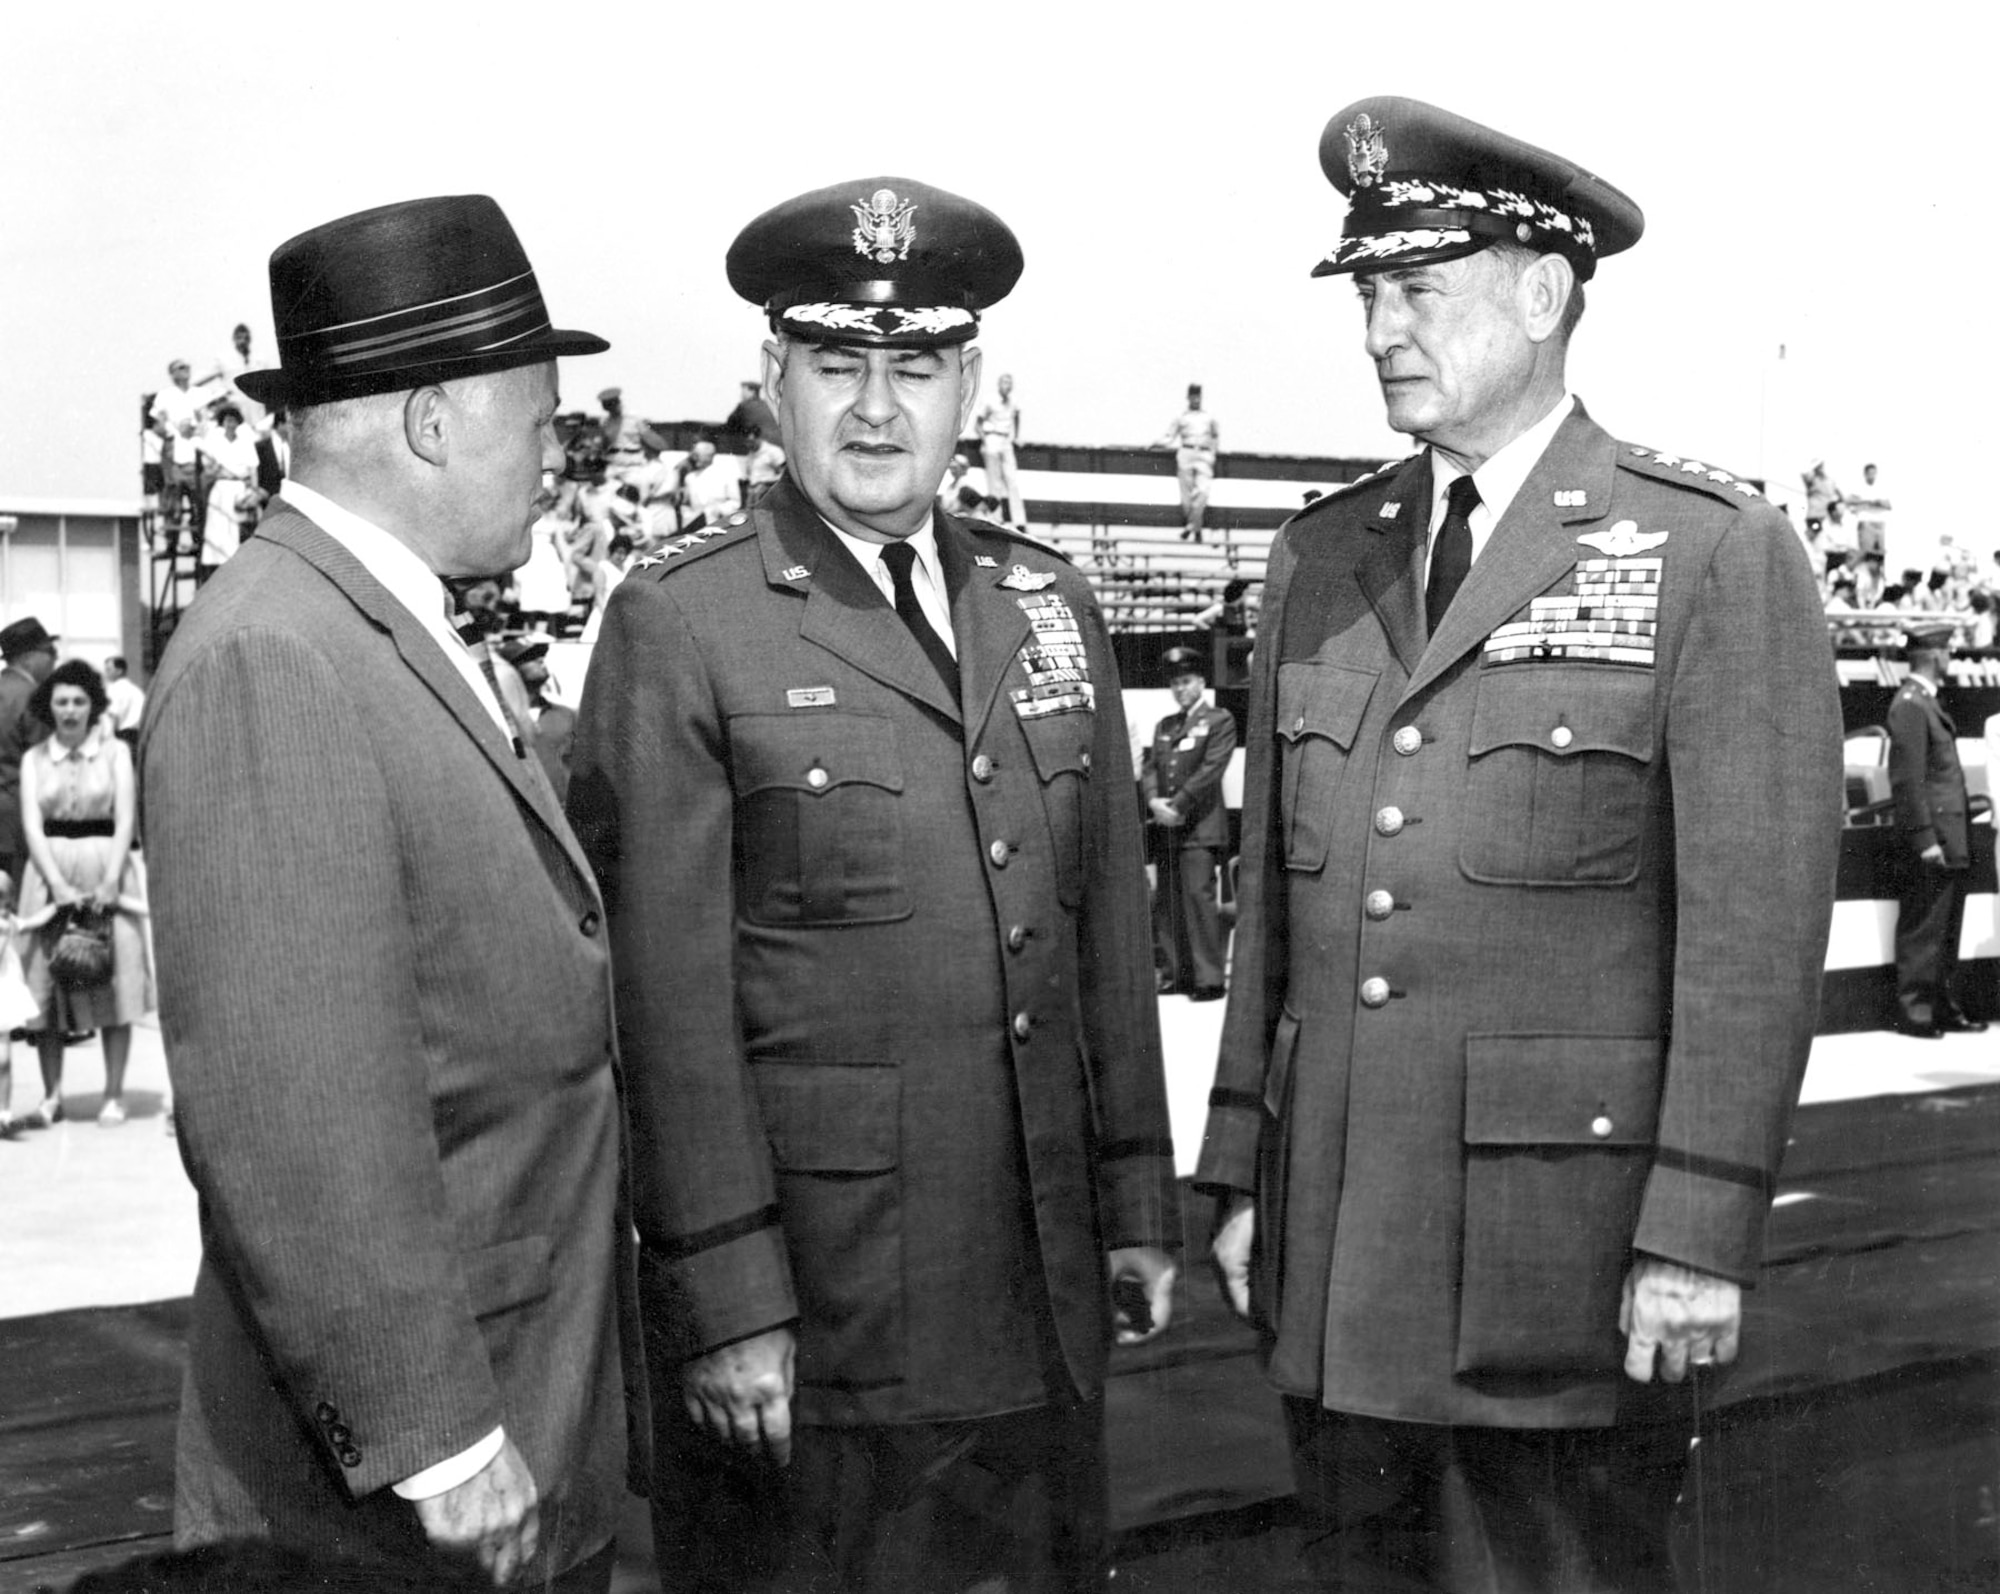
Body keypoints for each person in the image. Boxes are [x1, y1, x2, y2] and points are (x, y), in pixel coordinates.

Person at [1195, 97, 1844, 1592]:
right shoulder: (1323, 553)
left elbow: (1751, 944)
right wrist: (1238, 1173)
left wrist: (1697, 1228)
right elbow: (1277, 932)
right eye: (1368, 290)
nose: (1378, 329)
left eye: (1419, 289)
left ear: (1543, 295)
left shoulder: (1705, 552)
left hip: (1558, 1279)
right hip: (1339, 1258)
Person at [568, 174, 1179, 1594]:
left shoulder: (1047, 603)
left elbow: (1104, 948)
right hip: (817, 1332)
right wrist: (724, 1299)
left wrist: (1135, 1200)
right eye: (836, 364)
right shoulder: (683, 618)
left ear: (973, 385)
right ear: (769, 383)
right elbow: (663, 1004)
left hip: (1036, 1298)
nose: (876, 408)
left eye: (915, 368)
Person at [139, 194, 640, 1591]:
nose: (560, 454)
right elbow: (289, 1107)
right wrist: (434, 1434)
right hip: (405, 1492)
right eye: (541, 415)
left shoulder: (385, 625)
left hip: (518, 1405)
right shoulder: (277, 657)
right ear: (432, 421)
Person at [16, 659, 151, 1128]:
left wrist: (112, 878)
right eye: (61, 702)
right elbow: (32, 824)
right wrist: (56, 883)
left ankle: (113, 1093)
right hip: (48, 877)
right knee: (45, 988)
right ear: (47, 706)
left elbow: (126, 819)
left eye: (79, 701)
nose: (70, 710)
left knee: (115, 982)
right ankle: (52, 1096)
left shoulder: (115, 754)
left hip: (106, 872)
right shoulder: (35, 759)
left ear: (93, 705)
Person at [1886, 624, 1988, 1039]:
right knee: (1925, 926)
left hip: (1951, 836)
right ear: (1934, 655)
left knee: (1946, 927)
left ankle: (1942, 1006)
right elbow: (1908, 781)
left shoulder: (1924, 703)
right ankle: (1917, 1011)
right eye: (1947, 651)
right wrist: (1924, 838)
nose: (1950, 658)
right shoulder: (1910, 705)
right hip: (1934, 839)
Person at [1141, 645, 1236, 1000]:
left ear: (1201, 682)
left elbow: (1211, 769)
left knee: (1198, 901)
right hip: (1167, 827)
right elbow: (1151, 767)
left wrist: (1177, 805)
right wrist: (1153, 800)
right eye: (1175, 684)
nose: (1180, 689)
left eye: (1186, 681)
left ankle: (1209, 979)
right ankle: (1175, 973)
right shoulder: (1165, 725)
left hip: (1199, 827)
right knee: (1168, 903)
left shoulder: (1219, 721)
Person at [0, 618, 60, 885]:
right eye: (51, 653)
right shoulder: (34, 698)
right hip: (19, 825)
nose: (54, 662)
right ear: (29, 658)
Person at [501, 635, 576, 805]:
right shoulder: (501, 718)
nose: (541, 660)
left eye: (541, 655)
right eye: (531, 658)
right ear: (512, 669)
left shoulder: (566, 714)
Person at [196, 404, 261, 578]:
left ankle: (234, 566)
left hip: (239, 488)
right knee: (217, 528)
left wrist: (252, 490)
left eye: (233, 420)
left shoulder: (245, 442)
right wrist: (217, 471)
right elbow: (207, 466)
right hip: (221, 488)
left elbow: (253, 468)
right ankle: (215, 567)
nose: (230, 424)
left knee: (235, 529)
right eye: (227, 420)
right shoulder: (214, 441)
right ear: (222, 422)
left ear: (237, 423)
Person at [1155, 382, 1220, 541]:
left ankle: (1191, 526)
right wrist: (1156, 443)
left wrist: (1213, 453)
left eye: (1198, 396)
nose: (1196, 399)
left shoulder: (1209, 417)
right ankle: (1196, 528)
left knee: (1202, 492)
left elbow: (1215, 436)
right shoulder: (1181, 417)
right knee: (1187, 497)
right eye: (1193, 396)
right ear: (1188, 398)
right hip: (1186, 452)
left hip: (1203, 454)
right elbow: (1169, 436)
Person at [975, 371, 1027, 530]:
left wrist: (1016, 436)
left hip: (1006, 440)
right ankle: (996, 517)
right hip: (991, 438)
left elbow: (1017, 416)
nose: (1007, 386)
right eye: (1004, 383)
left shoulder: (1013, 401)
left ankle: (1019, 521)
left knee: (1012, 480)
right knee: (994, 482)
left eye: (1009, 383)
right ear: (999, 384)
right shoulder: (990, 400)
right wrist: (985, 439)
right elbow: (978, 422)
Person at [102, 656, 146, 750]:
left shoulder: (114, 689)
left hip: (122, 737)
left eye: (109, 669)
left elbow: (112, 716)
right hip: (139, 738)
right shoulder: (137, 691)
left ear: (119, 671)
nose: (105, 673)